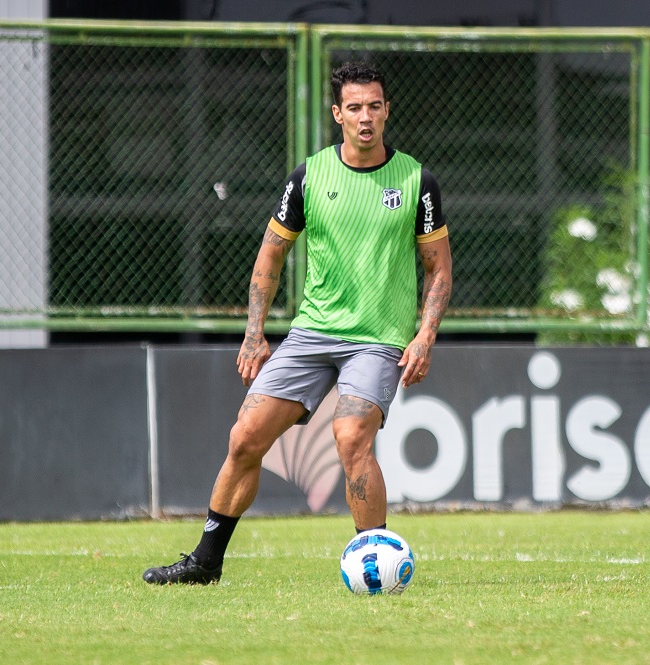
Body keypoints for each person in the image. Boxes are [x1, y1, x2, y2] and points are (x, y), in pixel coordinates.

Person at [143, 61, 452, 585]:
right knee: (244, 438)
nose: (365, 117)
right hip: (312, 333)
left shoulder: (416, 180)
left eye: (374, 106)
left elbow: (438, 267)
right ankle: (205, 563)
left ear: (387, 111)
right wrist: (254, 333)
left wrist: (424, 335)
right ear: (337, 114)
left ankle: (374, 562)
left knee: (352, 436)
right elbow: (270, 257)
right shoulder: (310, 176)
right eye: (354, 107)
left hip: (377, 339)